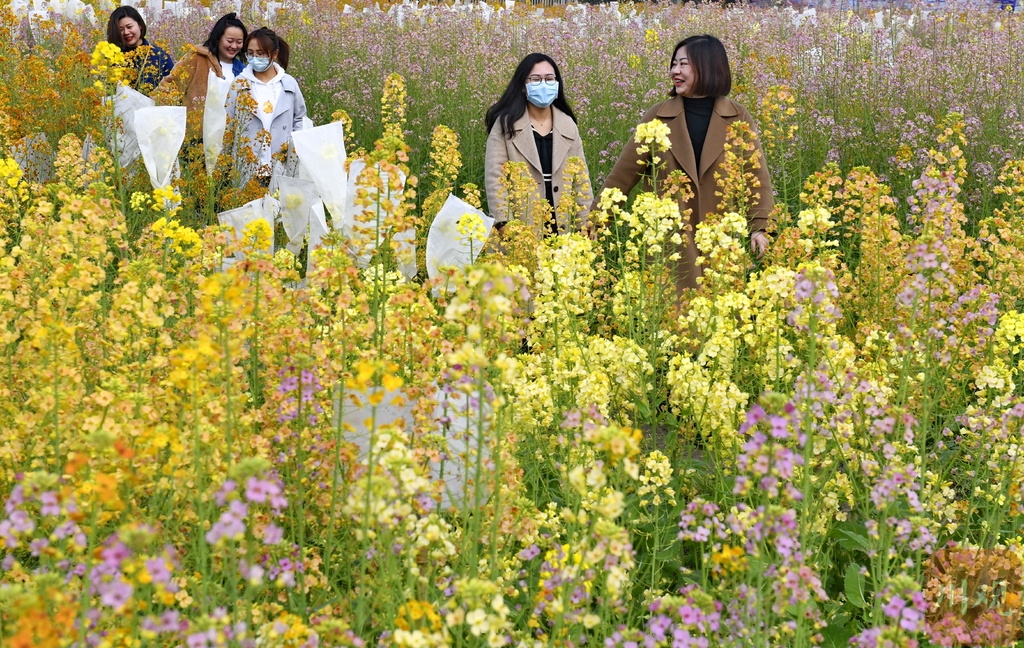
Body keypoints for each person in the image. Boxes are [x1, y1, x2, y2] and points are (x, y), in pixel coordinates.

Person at [594, 34, 773, 292]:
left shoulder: (738, 116)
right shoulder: (658, 115)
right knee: (673, 316)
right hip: (670, 237)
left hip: (722, 237)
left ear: (708, 67)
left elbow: (756, 176)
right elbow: (624, 174)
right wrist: (596, 222)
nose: (674, 71)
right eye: (674, 64)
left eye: (683, 64)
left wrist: (760, 227)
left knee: (721, 320)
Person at [484, 53, 592, 234]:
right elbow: (496, 178)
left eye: (549, 79)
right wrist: (504, 223)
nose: (543, 84)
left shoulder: (568, 125)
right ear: (523, 86)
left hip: (561, 225)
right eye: (535, 79)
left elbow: (581, 181)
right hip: (521, 228)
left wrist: (586, 222)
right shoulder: (506, 125)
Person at [224, 27, 306, 185]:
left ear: (274, 54)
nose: (255, 58)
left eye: (260, 53)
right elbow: (228, 124)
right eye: (250, 53)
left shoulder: (288, 84)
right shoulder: (240, 84)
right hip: (247, 165)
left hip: (280, 164)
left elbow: (300, 119)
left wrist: (294, 149)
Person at [154, 13, 248, 120]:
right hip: (196, 132)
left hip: (230, 133)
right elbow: (170, 85)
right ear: (218, 39)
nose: (234, 46)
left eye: (239, 42)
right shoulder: (196, 58)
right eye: (230, 41)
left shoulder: (243, 70)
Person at [106, 6, 174, 95]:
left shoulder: (159, 56)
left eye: (129, 27)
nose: (126, 32)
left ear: (140, 25)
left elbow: (172, 89)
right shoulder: (112, 58)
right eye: (120, 29)